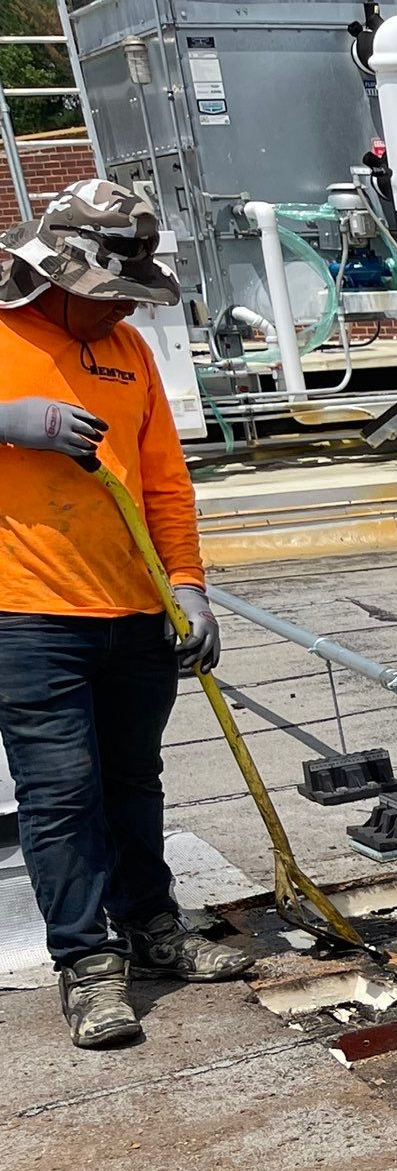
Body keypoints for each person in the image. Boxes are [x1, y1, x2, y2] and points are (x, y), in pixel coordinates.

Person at [0, 179, 254, 1049]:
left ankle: (153, 931)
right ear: (56, 275)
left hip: (135, 608)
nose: (116, 313)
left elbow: (163, 480)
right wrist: (7, 420)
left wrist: (187, 584)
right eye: (103, 296)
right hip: (27, 616)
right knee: (61, 795)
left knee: (132, 783)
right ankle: (87, 967)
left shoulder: (130, 353)